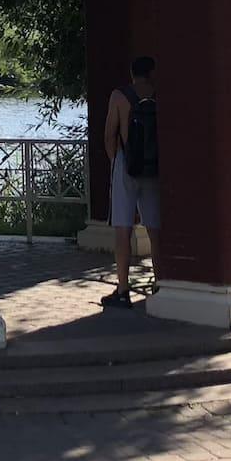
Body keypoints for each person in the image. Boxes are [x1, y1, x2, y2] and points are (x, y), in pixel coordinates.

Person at [102, 56, 160, 307]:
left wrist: (116, 162)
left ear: (131, 72)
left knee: (123, 229)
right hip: (154, 168)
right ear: (151, 73)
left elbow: (109, 135)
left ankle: (123, 290)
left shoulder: (119, 96)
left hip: (126, 165)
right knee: (155, 229)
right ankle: (161, 282)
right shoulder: (159, 94)